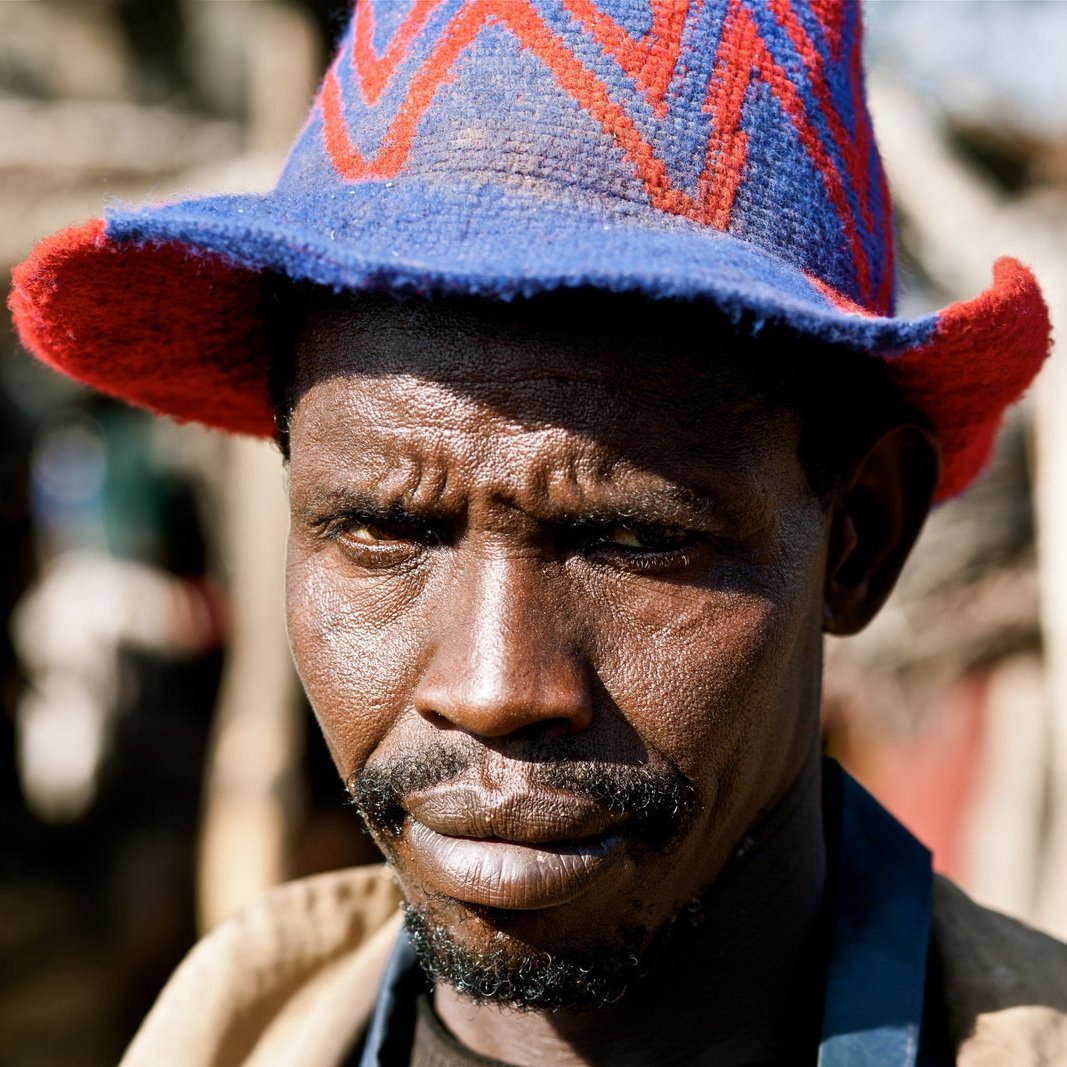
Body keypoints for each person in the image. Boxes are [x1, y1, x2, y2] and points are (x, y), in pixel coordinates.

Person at [9, 0, 1067, 1063]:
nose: (492, 685)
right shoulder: (226, 1031)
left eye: (629, 539)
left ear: (858, 538)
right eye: (382, 528)